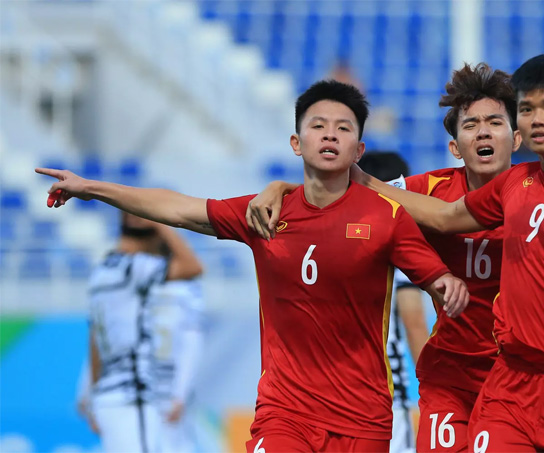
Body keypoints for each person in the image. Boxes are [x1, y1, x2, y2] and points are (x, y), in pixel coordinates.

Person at [36, 80, 469, 453]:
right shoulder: (265, 214)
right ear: (297, 142)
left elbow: (438, 281)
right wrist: (91, 187)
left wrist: (449, 285)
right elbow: (179, 209)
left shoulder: (385, 217)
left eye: (343, 128)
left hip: (363, 418)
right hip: (285, 413)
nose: (329, 135)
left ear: (358, 148)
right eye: (317, 126)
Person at [346, 54, 544, 452]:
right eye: (528, 109)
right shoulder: (505, 185)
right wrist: (342, 181)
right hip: (496, 380)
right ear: (455, 145)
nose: (537, 119)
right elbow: (444, 216)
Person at [247, 63, 521, 452]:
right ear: (454, 146)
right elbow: (340, 191)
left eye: (494, 122)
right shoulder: (425, 190)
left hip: (518, 374)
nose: (483, 132)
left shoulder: (538, 194)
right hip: (451, 377)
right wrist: (279, 189)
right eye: (470, 124)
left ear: (518, 137)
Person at [78, 213, 203, 453]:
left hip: (109, 396)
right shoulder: (134, 268)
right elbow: (193, 266)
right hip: (131, 397)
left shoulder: (100, 273)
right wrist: (160, 221)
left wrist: (92, 394)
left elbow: (95, 341)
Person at [357, 151, 429, 453]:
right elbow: (414, 328)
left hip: (338, 403)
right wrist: (435, 396)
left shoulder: (344, 244)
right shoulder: (395, 247)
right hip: (387, 406)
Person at [147, 277, 205, 453]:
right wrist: (181, 393)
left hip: (150, 385)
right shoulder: (186, 290)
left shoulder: (142, 284)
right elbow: (192, 343)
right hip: (168, 386)